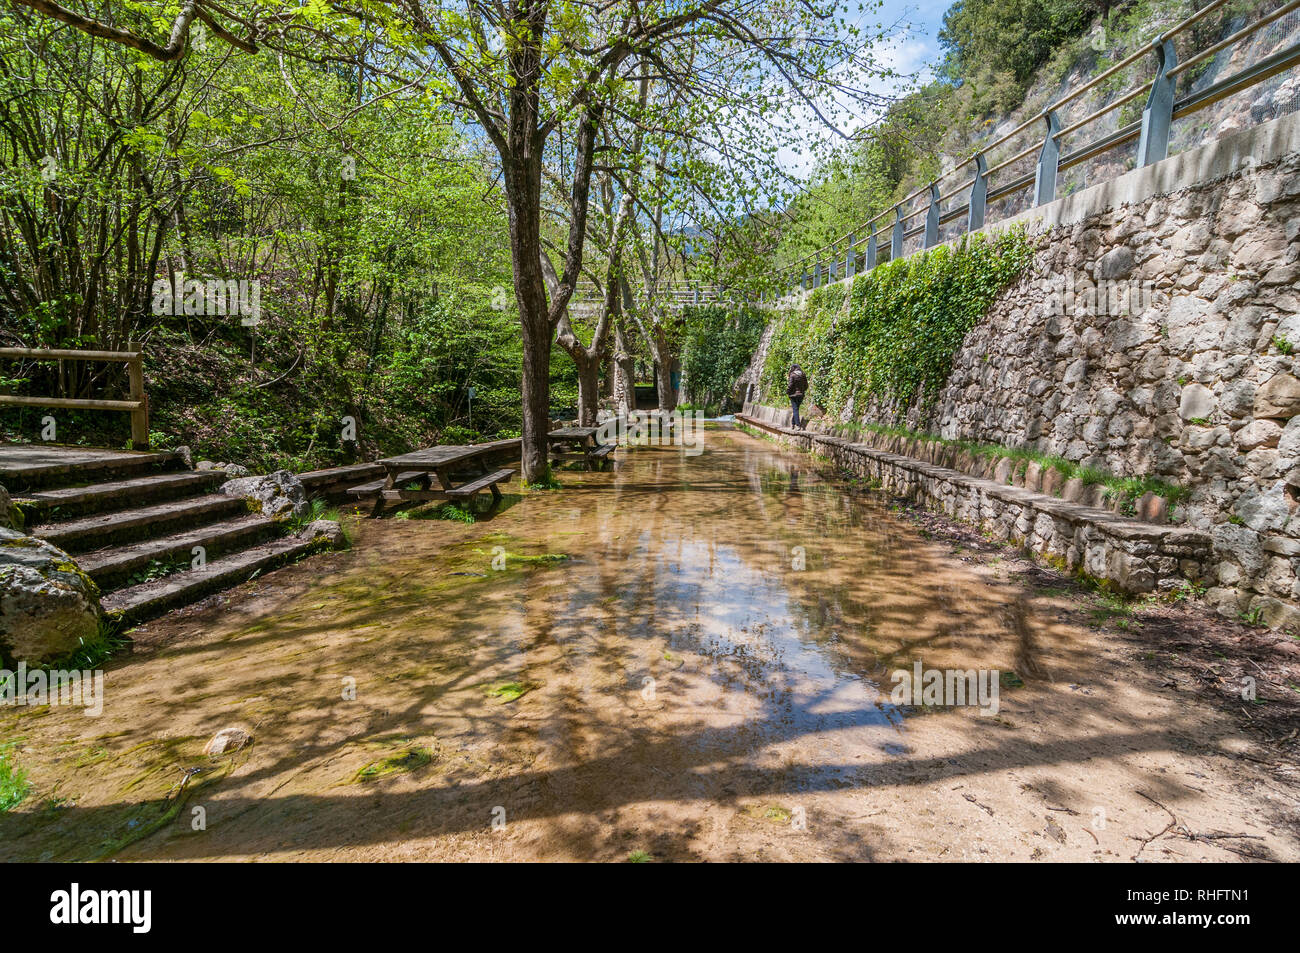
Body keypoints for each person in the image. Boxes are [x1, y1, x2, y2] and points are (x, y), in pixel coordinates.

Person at [787, 364, 808, 428]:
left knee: (795, 409)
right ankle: (793, 424)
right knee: (796, 409)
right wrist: (802, 391)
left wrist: (787, 391)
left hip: (793, 395)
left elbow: (790, 385)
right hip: (801, 395)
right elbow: (806, 385)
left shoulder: (792, 375)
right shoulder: (803, 374)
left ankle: (798, 424)